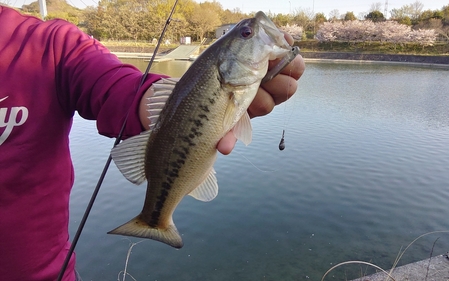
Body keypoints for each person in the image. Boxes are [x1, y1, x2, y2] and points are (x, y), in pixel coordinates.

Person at [0, 5, 305, 281]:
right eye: (247, 34)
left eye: (246, 32)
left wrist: (158, 105)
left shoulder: (49, 45)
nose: (252, 33)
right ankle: (155, 218)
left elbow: (115, 86)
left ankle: (154, 218)